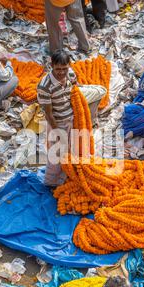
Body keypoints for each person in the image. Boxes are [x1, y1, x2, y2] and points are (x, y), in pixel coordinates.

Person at [37, 50, 106, 186]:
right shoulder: (45, 86)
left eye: (64, 68)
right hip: (57, 123)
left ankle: (68, 175)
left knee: (74, 149)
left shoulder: (70, 74)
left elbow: (75, 90)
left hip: (72, 119)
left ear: (68, 65)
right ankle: (52, 182)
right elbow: (49, 114)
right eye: (58, 69)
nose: (61, 72)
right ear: (51, 65)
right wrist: (57, 132)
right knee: (56, 154)